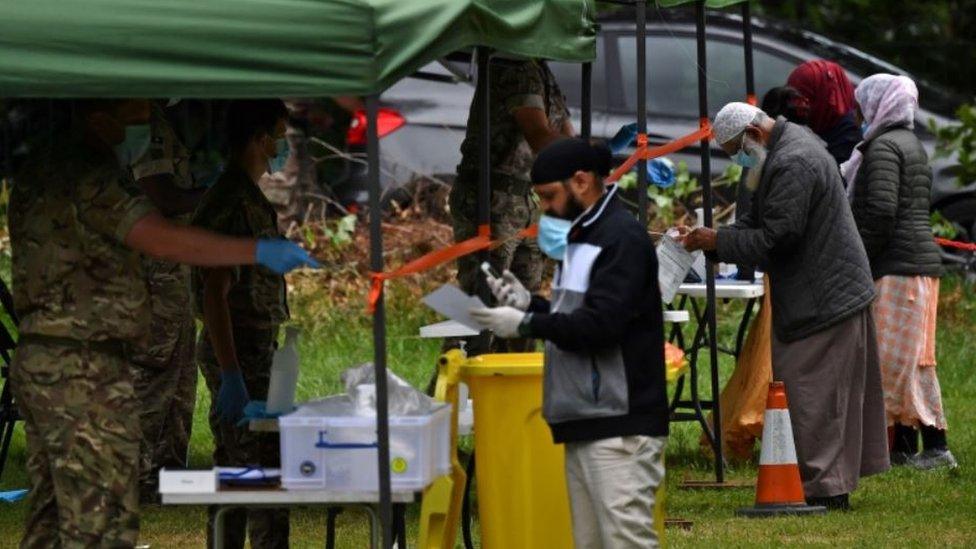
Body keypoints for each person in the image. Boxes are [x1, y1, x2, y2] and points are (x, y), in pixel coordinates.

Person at [8, 98, 316, 548]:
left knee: (51, 517)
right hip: (83, 367)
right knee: (101, 519)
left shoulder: (40, 170)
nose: (146, 136)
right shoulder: (89, 174)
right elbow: (160, 237)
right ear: (98, 116)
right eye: (137, 121)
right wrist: (253, 250)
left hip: (46, 357)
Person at [680, 102, 889, 510]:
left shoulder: (793, 161)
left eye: (735, 151)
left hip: (825, 296)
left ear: (754, 135)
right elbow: (754, 221)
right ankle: (822, 482)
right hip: (822, 289)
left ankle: (826, 490)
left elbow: (778, 237)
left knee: (814, 395)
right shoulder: (778, 152)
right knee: (813, 393)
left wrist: (717, 242)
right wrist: (717, 236)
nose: (736, 161)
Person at [470, 138, 668, 548]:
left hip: (621, 421)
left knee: (625, 540)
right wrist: (533, 306)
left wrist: (526, 325)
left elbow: (601, 325)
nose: (544, 207)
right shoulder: (581, 236)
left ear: (581, 181)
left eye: (548, 195)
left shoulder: (620, 239)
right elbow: (577, 315)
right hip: (586, 416)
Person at [451, 57, 637, 355]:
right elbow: (538, 136)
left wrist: (599, 154)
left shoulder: (542, 73)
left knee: (524, 305)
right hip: (491, 198)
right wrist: (593, 154)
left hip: (526, 199)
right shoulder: (512, 63)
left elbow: (565, 139)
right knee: (483, 303)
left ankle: (513, 392)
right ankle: (454, 391)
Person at [191, 99, 295, 549]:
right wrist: (231, 372)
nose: (283, 145)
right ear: (259, 139)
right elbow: (215, 293)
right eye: (279, 134)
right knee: (260, 474)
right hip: (238, 353)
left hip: (252, 351)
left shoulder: (246, 197)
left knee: (236, 471)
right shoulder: (234, 201)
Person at [842, 74, 956, 470]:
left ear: (878, 105)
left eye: (860, 105)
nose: (856, 113)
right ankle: (904, 447)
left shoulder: (883, 148)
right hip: (915, 267)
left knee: (894, 364)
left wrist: (859, 259)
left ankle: (936, 448)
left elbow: (881, 213)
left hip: (898, 269)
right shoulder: (909, 143)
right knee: (910, 361)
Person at [128, 100, 209, 503]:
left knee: (180, 372)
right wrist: (211, 193)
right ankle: (135, 473)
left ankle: (168, 472)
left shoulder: (166, 123)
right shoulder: (146, 121)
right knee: (154, 369)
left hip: (174, 269)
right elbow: (161, 194)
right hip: (156, 271)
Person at [787, 59, 863, 165]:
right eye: (792, 100)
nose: (797, 107)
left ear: (825, 98)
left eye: (806, 99)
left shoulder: (848, 143)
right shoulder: (820, 124)